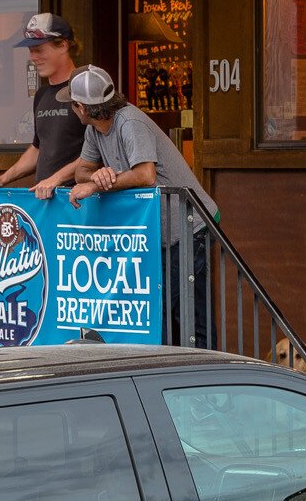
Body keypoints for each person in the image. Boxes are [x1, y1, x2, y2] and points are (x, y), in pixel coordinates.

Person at [60, 65, 219, 348]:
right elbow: (82, 171)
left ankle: (207, 381)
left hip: (190, 224)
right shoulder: (95, 130)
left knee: (191, 318)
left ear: (81, 107)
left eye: (72, 104)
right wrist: (97, 175)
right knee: (163, 315)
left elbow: (146, 174)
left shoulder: (129, 122)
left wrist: (98, 184)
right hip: (160, 233)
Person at [0, 13, 86, 201]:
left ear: (63, 45)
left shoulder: (87, 88)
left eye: (38, 49)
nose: (33, 57)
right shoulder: (41, 95)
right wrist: (2, 178)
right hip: (45, 202)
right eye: (30, 50)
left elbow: (100, 152)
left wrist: (56, 179)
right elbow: (38, 148)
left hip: (79, 202)